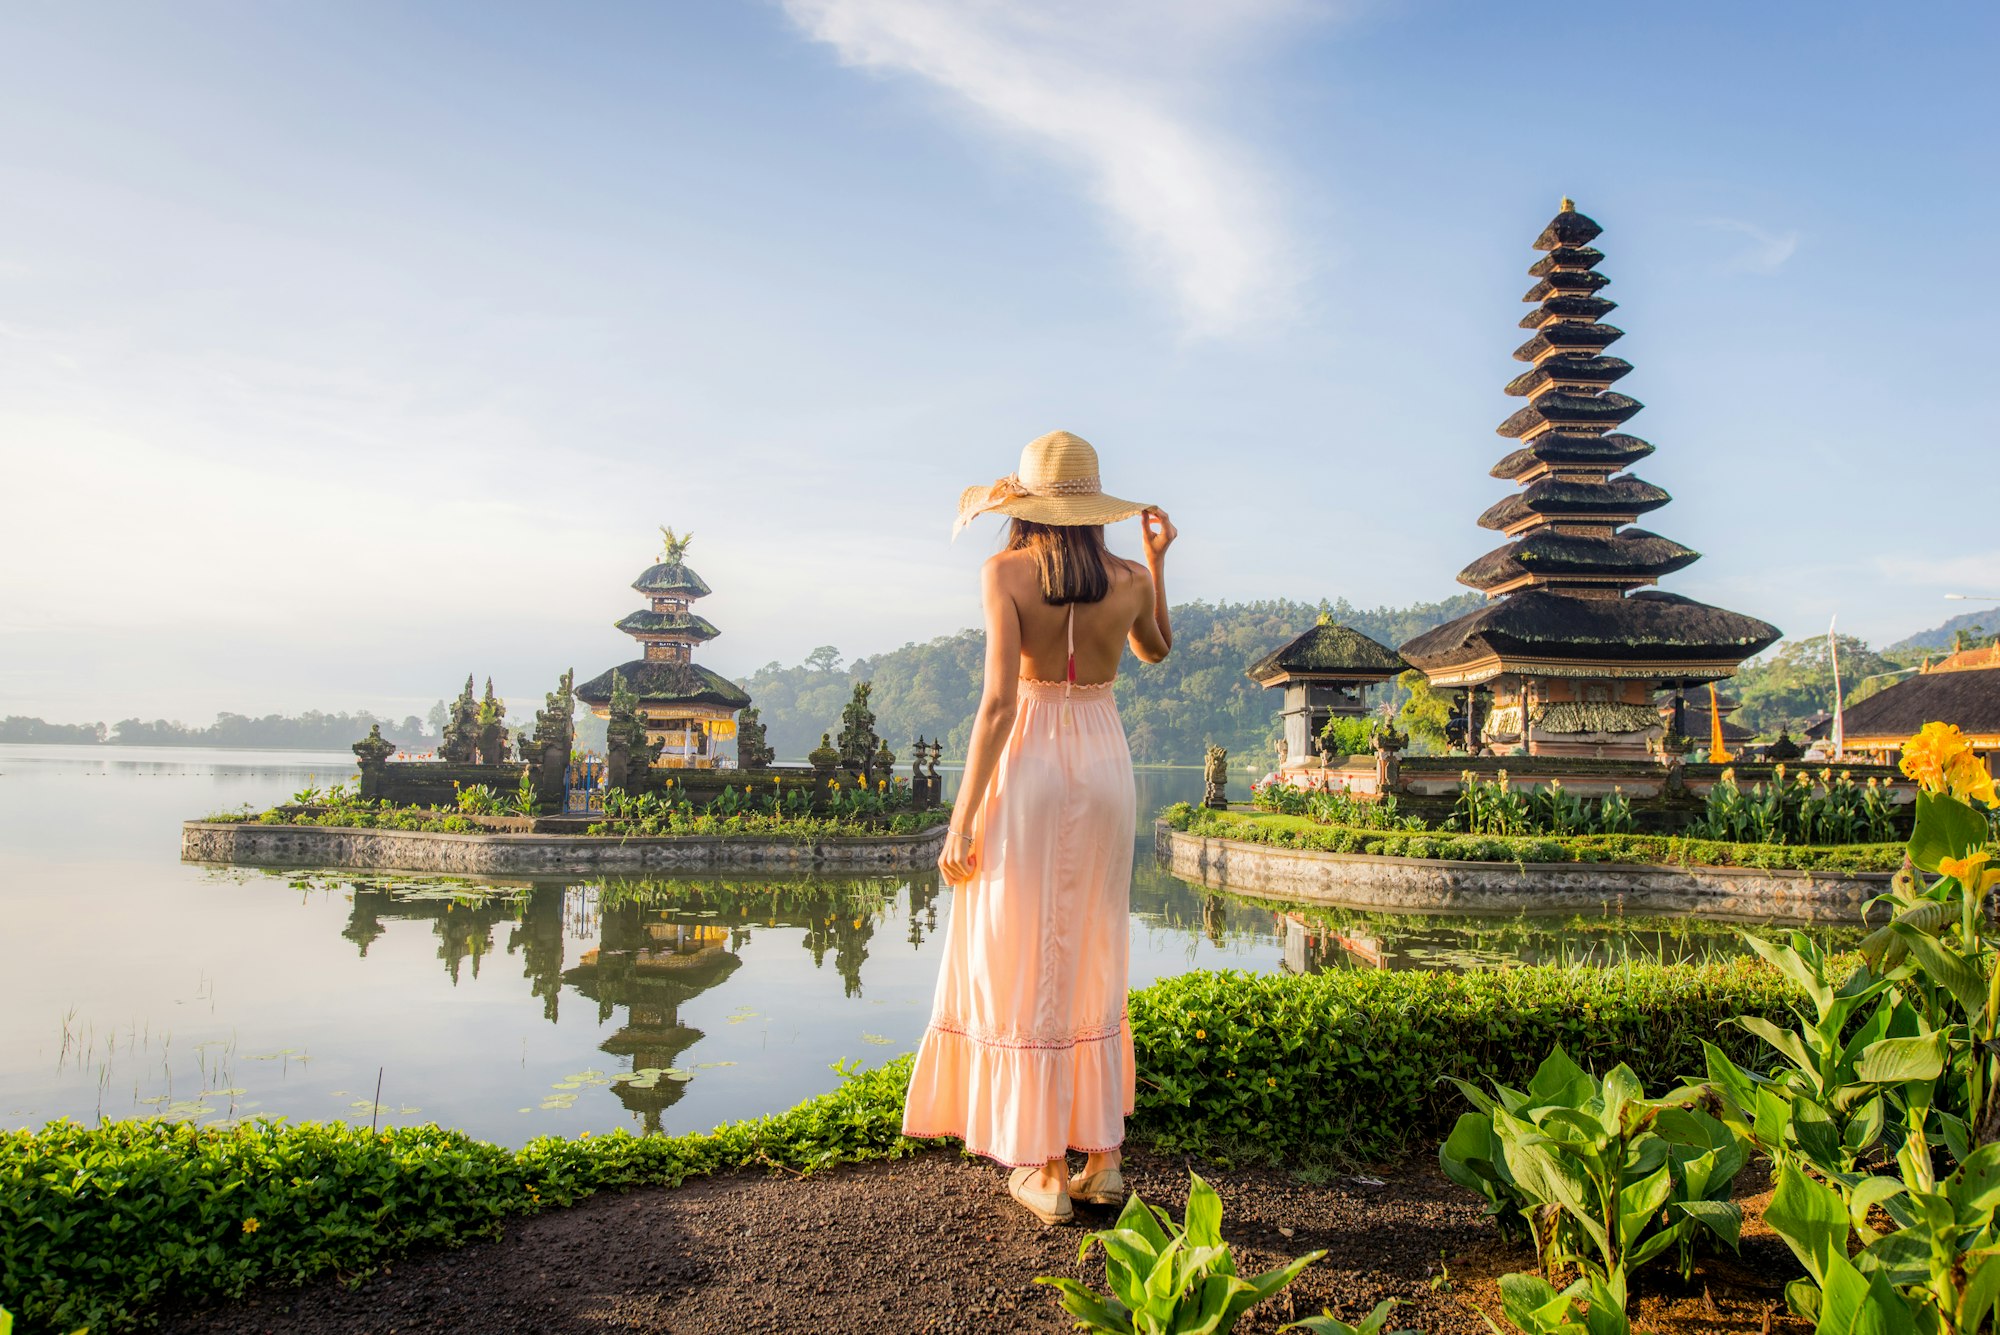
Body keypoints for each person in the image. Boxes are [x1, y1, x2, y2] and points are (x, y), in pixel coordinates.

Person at [902, 429, 1175, 1226]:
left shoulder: (1004, 572)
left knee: (1020, 943)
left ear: (1026, 506)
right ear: (1093, 509)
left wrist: (961, 820)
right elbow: (1154, 649)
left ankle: (1048, 1166)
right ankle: (1106, 1159)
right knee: (1093, 938)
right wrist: (1157, 559)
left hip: (1029, 760)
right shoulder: (1125, 577)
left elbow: (996, 705)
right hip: (1102, 756)